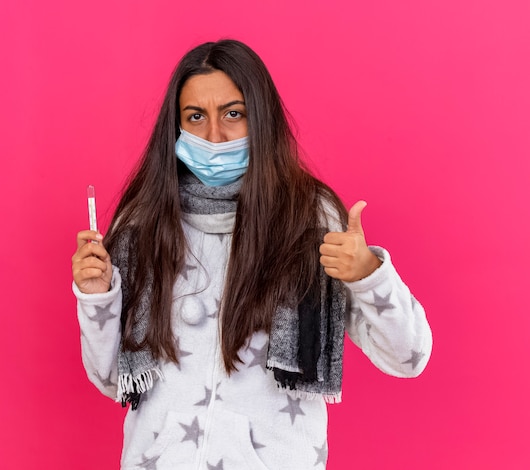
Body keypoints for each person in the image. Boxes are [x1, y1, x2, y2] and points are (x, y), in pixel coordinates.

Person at [71, 39, 432, 470]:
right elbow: (113, 379)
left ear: (260, 118)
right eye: (196, 117)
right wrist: (96, 297)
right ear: (176, 127)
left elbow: (408, 356)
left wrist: (367, 274)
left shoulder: (309, 217)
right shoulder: (143, 219)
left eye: (233, 114)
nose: (214, 136)